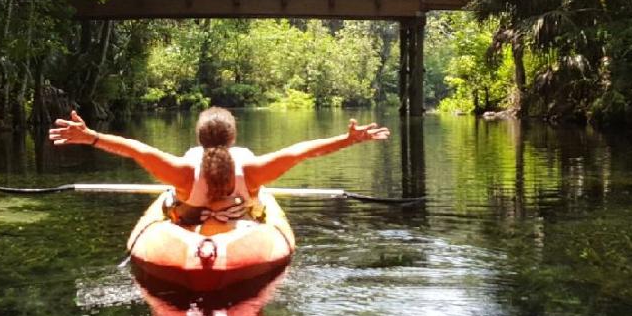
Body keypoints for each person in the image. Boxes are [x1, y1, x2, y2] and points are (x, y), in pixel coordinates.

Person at [47, 107, 389, 234]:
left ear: (197, 138)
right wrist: (348, 140)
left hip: (189, 222)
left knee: (173, 199)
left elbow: (134, 149)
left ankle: (174, 206)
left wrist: (90, 137)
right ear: (234, 137)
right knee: (256, 205)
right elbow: (302, 152)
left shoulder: (181, 170)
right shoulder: (254, 169)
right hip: (241, 225)